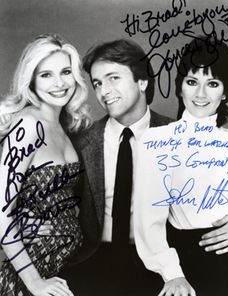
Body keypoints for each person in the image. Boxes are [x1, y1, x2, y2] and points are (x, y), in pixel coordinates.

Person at [58, 38, 173, 296]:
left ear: (142, 81)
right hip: (93, 259)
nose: (103, 91)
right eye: (97, 83)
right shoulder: (81, 141)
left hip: (159, 263)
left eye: (113, 78)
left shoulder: (176, 135)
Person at [134, 36, 228, 296]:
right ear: (180, 88)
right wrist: (173, 275)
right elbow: (149, 221)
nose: (201, 94)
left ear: (225, 92)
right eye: (192, 82)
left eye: (212, 84)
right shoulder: (157, 140)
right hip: (184, 264)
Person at [0, 33, 91, 296]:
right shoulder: (27, 126)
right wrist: (35, 283)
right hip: (33, 275)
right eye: (46, 75)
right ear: (30, 80)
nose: (59, 83)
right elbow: (2, 213)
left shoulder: (65, 125)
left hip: (65, 268)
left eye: (65, 72)